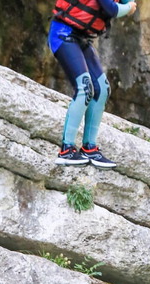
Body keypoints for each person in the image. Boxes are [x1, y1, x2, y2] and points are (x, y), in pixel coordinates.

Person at [49, 0, 137, 168]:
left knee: (102, 89)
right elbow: (112, 9)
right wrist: (129, 8)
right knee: (85, 88)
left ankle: (89, 148)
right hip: (63, 33)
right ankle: (66, 150)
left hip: (81, 38)